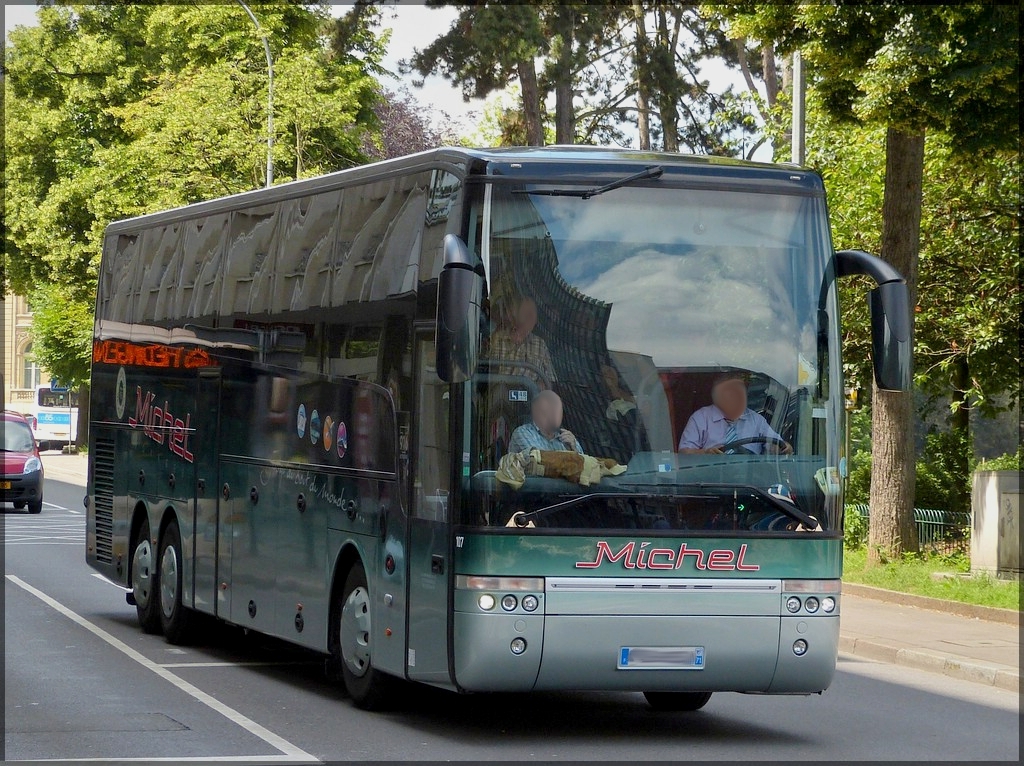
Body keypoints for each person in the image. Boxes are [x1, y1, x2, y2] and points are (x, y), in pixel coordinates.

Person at [678, 371, 792, 455]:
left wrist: (784, 447)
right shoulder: (701, 417)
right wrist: (705, 453)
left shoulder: (756, 420)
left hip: (749, 481)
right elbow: (683, 453)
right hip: (709, 480)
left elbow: (775, 444)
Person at [485, 295, 556, 389]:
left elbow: (550, 382)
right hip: (495, 400)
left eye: (532, 315)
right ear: (515, 315)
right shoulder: (496, 338)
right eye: (527, 314)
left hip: (528, 400)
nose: (531, 318)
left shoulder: (540, 345)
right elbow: (480, 372)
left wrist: (534, 389)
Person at [508, 389, 584, 455]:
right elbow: (541, 461)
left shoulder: (566, 436)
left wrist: (574, 450)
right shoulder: (523, 433)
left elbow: (585, 466)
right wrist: (570, 457)